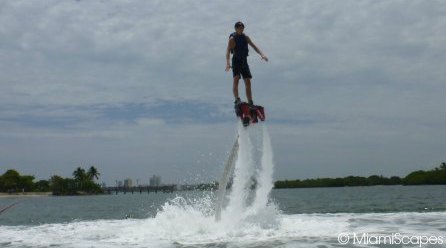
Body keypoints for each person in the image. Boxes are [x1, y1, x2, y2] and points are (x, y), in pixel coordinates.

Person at [225, 21, 268, 108]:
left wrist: (262, 54)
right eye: (240, 28)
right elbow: (228, 51)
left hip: (244, 61)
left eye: (242, 28)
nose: (241, 29)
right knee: (236, 79)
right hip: (236, 60)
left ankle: (250, 102)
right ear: (236, 29)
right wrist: (228, 63)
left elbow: (254, 46)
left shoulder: (245, 37)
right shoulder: (232, 39)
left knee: (248, 81)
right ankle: (237, 99)